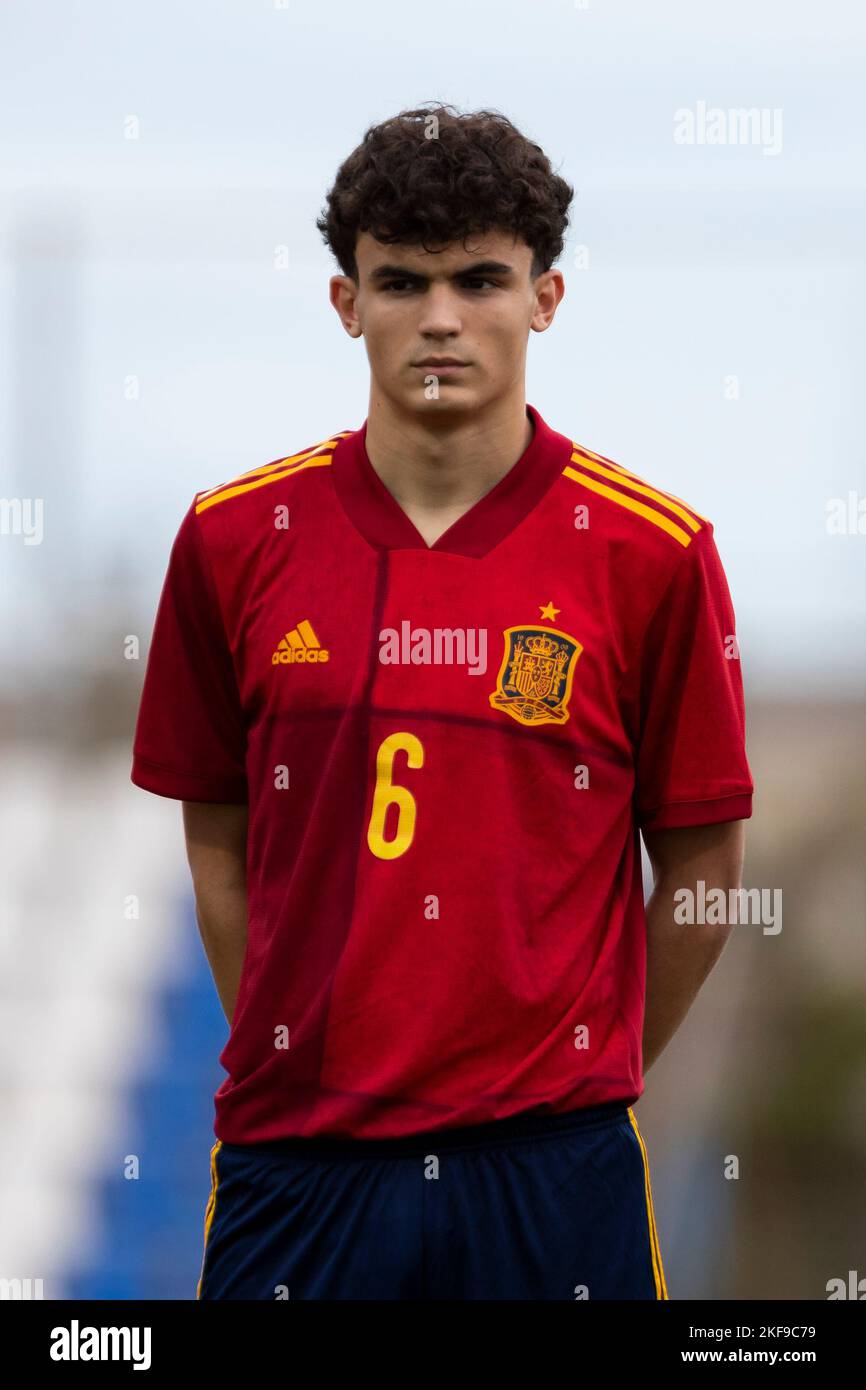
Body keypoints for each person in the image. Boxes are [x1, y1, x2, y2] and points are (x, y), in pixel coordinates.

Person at [131, 102, 753, 1300]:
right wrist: (297, 1043)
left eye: (479, 277)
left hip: (550, 1166)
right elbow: (217, 842)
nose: (440, 318)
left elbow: (702, 870)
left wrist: (584, 1073)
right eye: (401, 281)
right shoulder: (230, 539)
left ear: (545, 296)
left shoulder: (653, 553)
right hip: (297, 1164)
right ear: (344, 302)